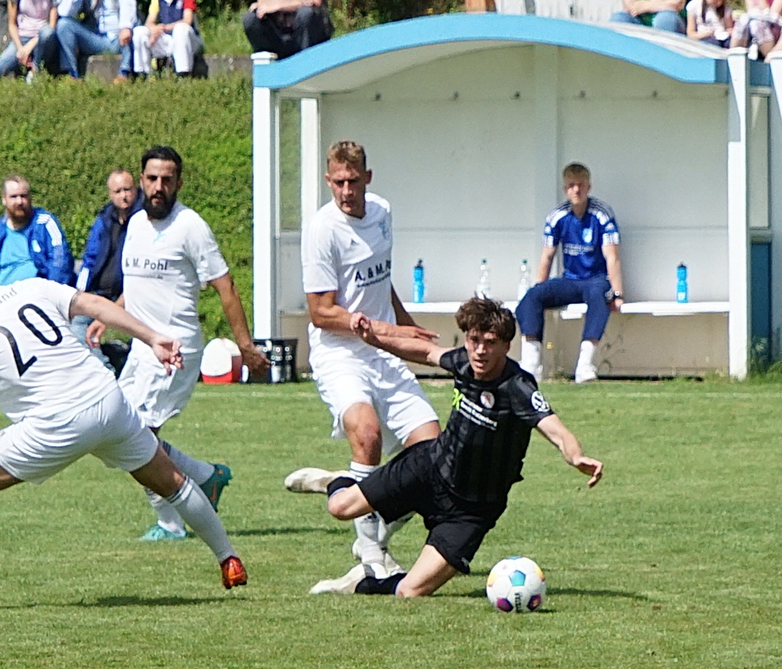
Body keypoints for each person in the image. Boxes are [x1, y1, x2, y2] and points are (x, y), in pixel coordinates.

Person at [0, 247, 248, 610]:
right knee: (172, 480)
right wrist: (153, 338)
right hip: (106, 399)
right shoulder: (31, 287)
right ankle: (228, 558)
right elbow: (94, 304)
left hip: (55, 423)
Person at [309, 297, 603, 596]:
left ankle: (362, 581)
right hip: (428, 469)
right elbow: (426, 351)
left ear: (506, 346)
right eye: (474, 340)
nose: (480, 350)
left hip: (472, 510)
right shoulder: (464, 361)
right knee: (339, 507)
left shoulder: (517, 386)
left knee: (410, 591)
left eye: (490, 343)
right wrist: (374, 340)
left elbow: (554, 428)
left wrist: (576, 456)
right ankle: (339, 481)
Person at [87, 145, 270, 540]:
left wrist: (245, 346)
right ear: (141, 181)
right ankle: (204, 476)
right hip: (142, 346)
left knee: (137, 438)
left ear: (179, 183)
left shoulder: (191, 226)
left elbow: (226, 286)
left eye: (167, 180)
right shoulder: (136, 225)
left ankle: (170, 523)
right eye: (152, 179)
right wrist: (108, 315)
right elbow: (138, 285)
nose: (159, 187)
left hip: (175, 349)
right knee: (116, 434)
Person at [283, 140, 442, 588]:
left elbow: (380, 281)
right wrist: (378, 327)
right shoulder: (322, 230)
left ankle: (358, 506)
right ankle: (372, 559)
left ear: (367, 179)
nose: (346, 191)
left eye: (354, 181)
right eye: (338, 182)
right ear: (328, 180)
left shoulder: (382, 213)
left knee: (434, 457)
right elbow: (321, 312)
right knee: (366, 433)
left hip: (382, 348)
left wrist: (404, 328)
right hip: (340, 353)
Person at [515, 162, 623, 384]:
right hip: (570, 280)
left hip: (596, 279)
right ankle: (531, 365)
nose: (576, 190)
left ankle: (585, 365)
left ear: (588, 187)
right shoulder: (557, 216)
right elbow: (547, 256)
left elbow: (612, 257)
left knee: (599, 296)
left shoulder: (602, 214)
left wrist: (618, 293)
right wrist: (540, 289)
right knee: (532, 296)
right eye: (571, 185)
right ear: (565, 189)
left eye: (581, 185)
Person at [72, 168, 143, 368]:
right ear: (110, 194)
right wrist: (80, 292)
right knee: (77, 324)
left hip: (132, 293)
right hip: (102, 293)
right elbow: (90, 257)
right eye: (118, 191)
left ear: (136, 189)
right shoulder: (104, 219)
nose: (124, 196)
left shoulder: (145, 218)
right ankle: (104, 370)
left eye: (127, 189)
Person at [0, 175, 75, 287]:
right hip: (2, 295)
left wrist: (51, 291)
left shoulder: (45, 224)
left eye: (23, 196)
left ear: (30, 198)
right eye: (13, 197)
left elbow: (60, 261)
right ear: (4, 199)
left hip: (39, 292)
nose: (19, 201)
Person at [56, 0, 136, 81]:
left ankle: (124, 74)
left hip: (116, 38)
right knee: (64, 24)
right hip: (95, 38)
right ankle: (72, 75)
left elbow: (128, 5)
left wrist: (126, 27)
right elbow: (64, 12)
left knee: (129, 31)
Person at [131, 0, 201, 78]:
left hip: (188, 40)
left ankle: (183, 73)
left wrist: (165, 28)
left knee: (181, 29)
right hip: (168, 39)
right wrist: (155, 30)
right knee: (139, 31)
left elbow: (187, 20)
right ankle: (142, 73)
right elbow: (149, 22)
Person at [0, 0, 59, 81]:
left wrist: (30, 46)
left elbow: (52, 26)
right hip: (22, 37)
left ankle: (35, 72)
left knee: (48, 33)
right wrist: (21, 49)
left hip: (43, 38)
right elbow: (12, 25)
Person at [242, 0, 333, 60]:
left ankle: (307, 65)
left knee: (306, 12)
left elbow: (314, 2)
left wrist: (279, 5)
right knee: (250, 19)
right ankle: (267, 67)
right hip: (278, 34)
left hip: (306, 34)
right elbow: (263, 5)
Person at [610, 0, 686, 34]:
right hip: (639, 21)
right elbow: (630, 6)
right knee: (619, 19)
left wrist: (647, 6)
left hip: (673, 23)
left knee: (665, 19)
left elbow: (675, 4)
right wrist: (660, 5)